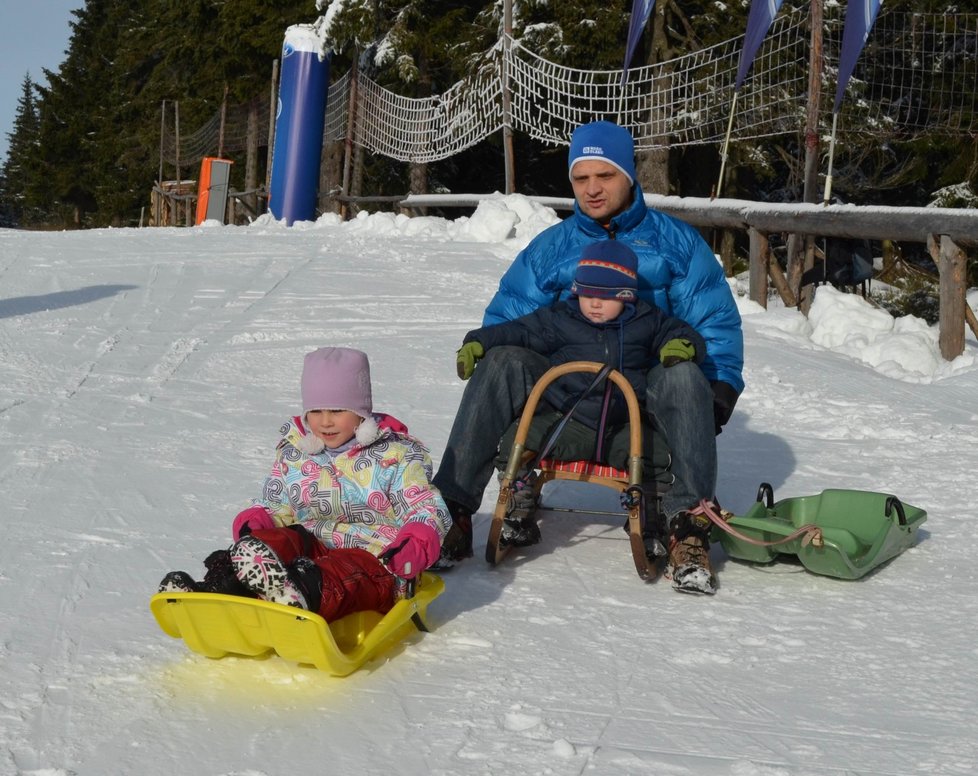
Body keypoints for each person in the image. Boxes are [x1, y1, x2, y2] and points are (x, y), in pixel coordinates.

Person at [433, 119, 744, 595]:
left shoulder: (676, 243)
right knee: (503, 361)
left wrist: (717, 389)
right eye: (581, 178)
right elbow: (512, 320)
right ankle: (450, 511)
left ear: (629, 174)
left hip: (644, 392)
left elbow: (712, 322)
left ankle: (689, 523)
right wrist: (484, 342)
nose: (593, 189)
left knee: (684, 376)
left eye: (605, 176)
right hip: (567, 394)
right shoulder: (553, 248)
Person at [458, 241, 707, 571]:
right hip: (567, 421)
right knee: (516, 439)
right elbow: (518, 330)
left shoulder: (648, 321)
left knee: (659, 457)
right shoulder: (561, 318)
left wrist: (682, 345)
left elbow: (682, 331)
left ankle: (652, 514)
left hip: (623, 426)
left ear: (626, 295)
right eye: (586, 294)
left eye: (604, 296)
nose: (593, 304)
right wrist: (479, 341)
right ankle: (518, 502)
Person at [158, 346, 452, 622]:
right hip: (311, 546)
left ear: (361, 412)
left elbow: (425, 507)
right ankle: (222, 588)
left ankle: (301, 591)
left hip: (374, 560)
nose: (325, 422)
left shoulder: (395, 456)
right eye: (316, 411)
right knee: (282, 541)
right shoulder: (296, 453)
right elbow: (278, 505)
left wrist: (416, 540)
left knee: (344, 571)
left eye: (337, 411)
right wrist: (258, 521)